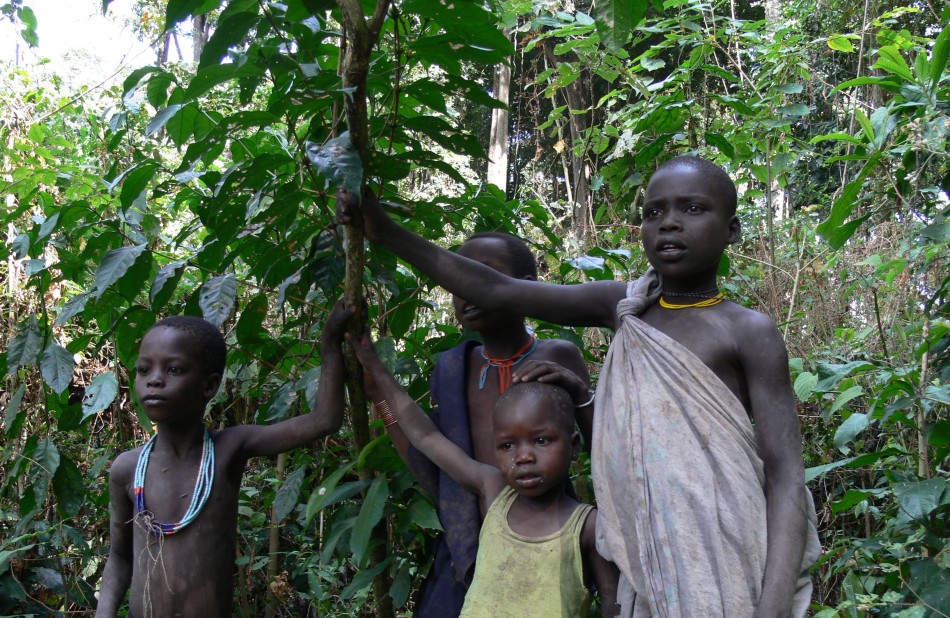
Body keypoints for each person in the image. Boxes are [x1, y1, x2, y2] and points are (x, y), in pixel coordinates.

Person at [337, 155, 820, 617]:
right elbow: (496, 289)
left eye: (693, 208)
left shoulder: (749, 331)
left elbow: (784, 475)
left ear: (732, 229)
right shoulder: (624, 307)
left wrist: (775, 600)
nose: (669, 223)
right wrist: (383, 230)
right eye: (654, 213)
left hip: (730, 546)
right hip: (647, 555)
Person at [379, 231, 594, 617]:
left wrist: (579, 392)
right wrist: (376, 385)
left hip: (547, 541)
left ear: (526, 289)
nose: (466, 290)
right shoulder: (451, 366)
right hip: (463, 550)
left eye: (481, 275)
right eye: (456, 280)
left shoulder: (559, 355)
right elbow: (431, 453)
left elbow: (600, 446)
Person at [95, 302, 353, 618]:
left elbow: (324, 420)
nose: (154, 380)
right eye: (144, 369)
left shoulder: (228, 450)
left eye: (173, 369)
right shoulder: (128, 469)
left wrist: (329, 341)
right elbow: (120, 557)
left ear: (209, 385)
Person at [349, 328, 620, 617]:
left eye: (541, 441)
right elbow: (427, 437)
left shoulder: (588, 527)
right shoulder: (494, 492)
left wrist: (581, 395)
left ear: (574, 446)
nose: (524, 456)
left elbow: (614, 605)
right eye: (507, 445)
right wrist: (376, 369)